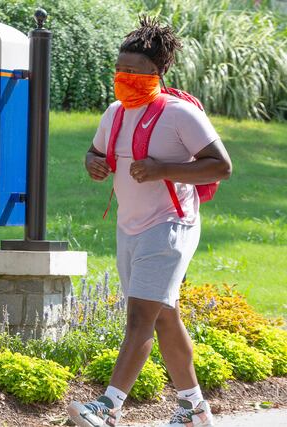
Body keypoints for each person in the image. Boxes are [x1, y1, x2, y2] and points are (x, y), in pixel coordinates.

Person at [67, 17, 232, 427]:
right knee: (162, 315)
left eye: (134, 72)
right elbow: (95, 150)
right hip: (130, 226)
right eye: (119, 70)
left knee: (140, 315)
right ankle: (194, 409)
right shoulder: (115, 112)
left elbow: (221, 167)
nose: (124, 79)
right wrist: (93, 162)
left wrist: (162, 169)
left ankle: (109, 406)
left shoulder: (179, 115)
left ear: (157, 74)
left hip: (172, 225)